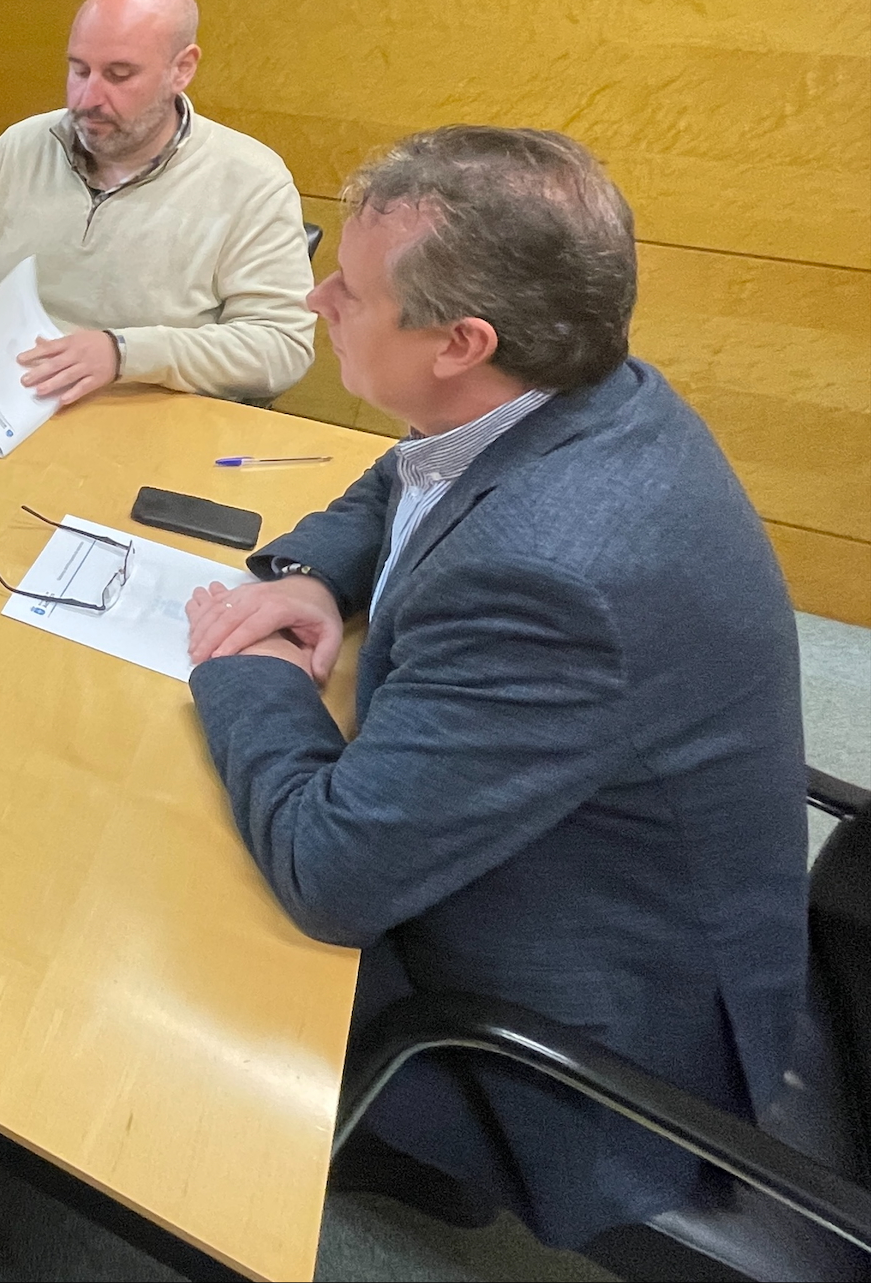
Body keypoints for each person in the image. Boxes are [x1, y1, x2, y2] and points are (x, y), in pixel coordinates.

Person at [181, 127, 804, 1248]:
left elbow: (331, 874)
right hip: (582, 861)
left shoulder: (551, 574)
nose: (318, 297)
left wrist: (246, 661)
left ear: (461, 342)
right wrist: (310, 576)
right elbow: (403, 475)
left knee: (154, 913)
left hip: (584, 1031)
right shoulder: (572, 397)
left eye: (350, 289)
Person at [0, 0, 313, 406]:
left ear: (182, 69)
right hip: (3, 396)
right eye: (79, 70)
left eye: (119, 75)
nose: (87, 99)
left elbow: (281, 347)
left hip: (140, 411)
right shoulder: (22, 145)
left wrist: (123, 354)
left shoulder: (252, 181)